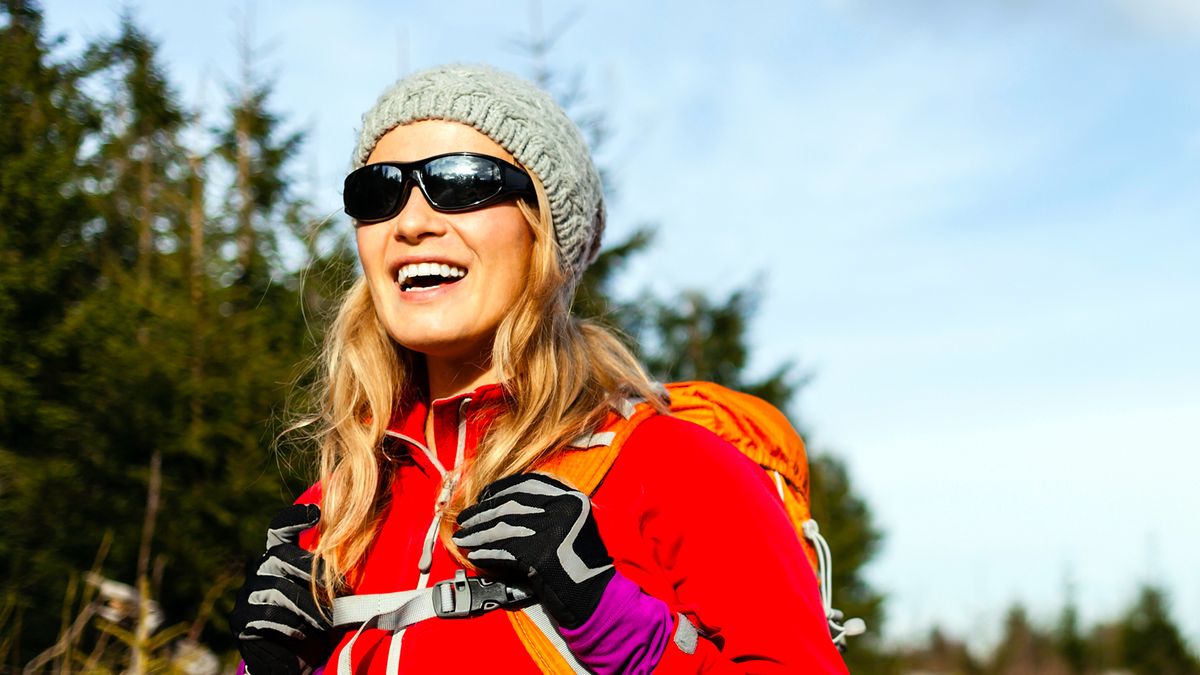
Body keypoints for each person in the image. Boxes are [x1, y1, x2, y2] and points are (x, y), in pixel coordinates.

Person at [230, 64, 849, 674]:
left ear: (546, 235)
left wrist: (615, 623)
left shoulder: (675, 468)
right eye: (377, 192)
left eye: (463, 182)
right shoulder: (337, 512)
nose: (412, 222)